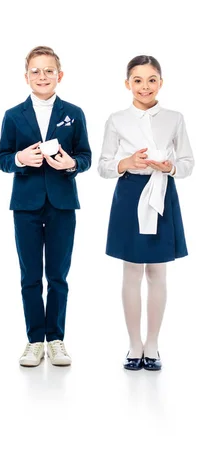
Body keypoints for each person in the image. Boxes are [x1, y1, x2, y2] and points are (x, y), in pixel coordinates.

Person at [0, 46, 91, 367]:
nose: (42, 76)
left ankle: (57, 339)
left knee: (58, 275)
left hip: (62, 202)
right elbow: (3, 158)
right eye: (35, 71)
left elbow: (86, 157)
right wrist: (20, 159)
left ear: (59, 75)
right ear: (26, 77)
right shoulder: (13, 115)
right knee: (30, 276)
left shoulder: (74, 113)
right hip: (25, 203)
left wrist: (71, 163)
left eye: (48, 70)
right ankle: (35, 340)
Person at [98, 55, 194, 371]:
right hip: (129, 194)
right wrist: (126, 164)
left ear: (161, 82)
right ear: (128, 84)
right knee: (131, 271)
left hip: (162, 193)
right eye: (137, 80)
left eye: (151, 79)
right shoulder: (116, 119)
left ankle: (152, 344)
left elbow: (188, 162)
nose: (145, 86)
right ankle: (133, 344)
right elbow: (104, 165)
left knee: (157, 272)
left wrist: (170, 167)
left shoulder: (174, 118)